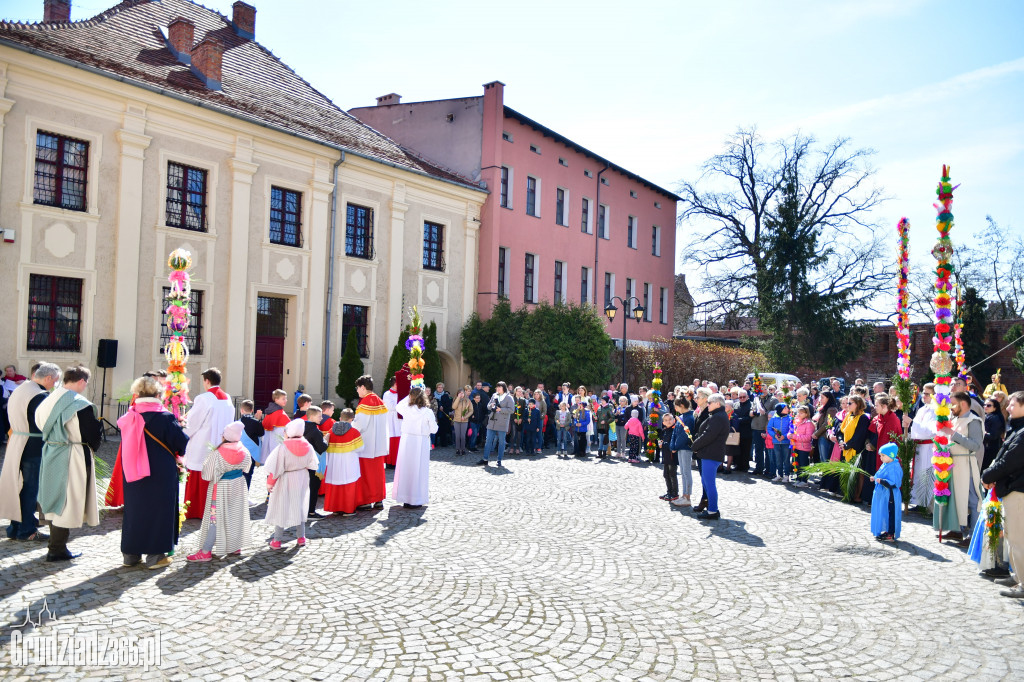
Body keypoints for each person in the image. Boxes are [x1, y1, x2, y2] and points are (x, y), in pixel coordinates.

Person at [118, 376, 188, 569]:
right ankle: (155, 556)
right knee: (159, 511)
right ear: (158, 395)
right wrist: (183, 427)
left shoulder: (130, 415)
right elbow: (181, 444)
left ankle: (131, 555)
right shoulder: (164, 417)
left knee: (135, 510)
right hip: (159, 471)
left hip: (133, 471)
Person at [36, 366, 102, 561]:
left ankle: (55, 546)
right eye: (86, 383)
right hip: (71, 455)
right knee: (65, 501)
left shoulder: (49, 398)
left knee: (53, 497)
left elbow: (40, 423)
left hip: (51, 451)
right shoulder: (80, 404)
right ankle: (56, 549)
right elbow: (91, 436)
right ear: (82, 381)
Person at [0, 362, 60, 542]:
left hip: (18, 439)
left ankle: (15, 526)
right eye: (55, 381)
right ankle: (27, 530)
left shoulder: (23, 388)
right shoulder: (39, 395)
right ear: (48, 378)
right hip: (32, 444)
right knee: (29, 488)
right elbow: (45, 423)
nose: (54, 385)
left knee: (19, 485)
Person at [187, 421, 252, 562]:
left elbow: (207, 474)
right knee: (235, 515)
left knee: (214, 519)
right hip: (238, 487)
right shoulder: (244, 450)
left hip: (220, 489)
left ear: (225, 436)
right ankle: (235, 546)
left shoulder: (217, 453)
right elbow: (247, 467)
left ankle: (206, 551)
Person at [981, 391, 1024, 598]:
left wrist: (989, 474)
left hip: (1018, 489)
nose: (1007, 408)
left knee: (1018, 538)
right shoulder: (1017, 428)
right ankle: (1017, 575)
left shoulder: (1023, 432)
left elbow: (1010, 461)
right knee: (1010, 536)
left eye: (1012, 405)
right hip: (1010, 487)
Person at [182, 369, 235, 519]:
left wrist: (183, 433)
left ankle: (196, 510)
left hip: (203, 443)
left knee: (199, 474)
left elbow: (192, 423)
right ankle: (216, 510)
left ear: (206, 381)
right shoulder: (228, 398)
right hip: (222, 443)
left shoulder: (203, 398)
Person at [935, 391, 985, 544]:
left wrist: (953, 434)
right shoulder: (954, 418)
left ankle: (973, 535)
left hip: (966, 465)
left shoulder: (973, 420)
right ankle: (957, 530)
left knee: (971, 499)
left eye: (953, 403)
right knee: (956, 499)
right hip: (952, 465)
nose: (950, 407)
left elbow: (976, 445)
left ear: (963, 404)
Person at [264, 419, 319, 549]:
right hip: (302, 478)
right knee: (299, 506)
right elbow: (313, 464)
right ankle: (301, 537)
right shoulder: (308, 445)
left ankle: (277, 540)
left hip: (286, 478)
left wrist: (270, 483)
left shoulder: (282, 447)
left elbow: (275, 467)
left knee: (282, 507)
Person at [393, 386, 438, 507]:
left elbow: (398, 406)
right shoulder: (427, 412)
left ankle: (406, 498)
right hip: (420, 442)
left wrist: (410, 395)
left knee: (407, 469)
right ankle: (416, 499)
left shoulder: (407, 409)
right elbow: (434, 429)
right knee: (418, 470)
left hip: (407, 441)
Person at [350, 375, 389, 509]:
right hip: (379, 444)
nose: (357, 391)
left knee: (366, 474)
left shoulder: (365, 403)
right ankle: (378, 500)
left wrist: (350, 425)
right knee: (378, 473)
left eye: (357, 388)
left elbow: (360, 425)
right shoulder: (380, 401)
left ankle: (366, 501)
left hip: (366, 445)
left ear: (363, 387)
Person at [690, 393, 730, 520]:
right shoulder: (717, 415)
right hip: (709, 453)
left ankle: (712, 511)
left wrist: (694, 446)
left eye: (709, 403)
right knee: (706, 482)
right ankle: (712, 509)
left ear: (717, 403)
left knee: (709, 483)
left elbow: (708, 435)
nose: (708, 405)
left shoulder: (718, 417)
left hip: (711, 454)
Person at [322, 408, 363, 516]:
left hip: (334, 463)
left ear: (340, 418)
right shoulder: (354, 431)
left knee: (335, 485)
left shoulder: (331, 431)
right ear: (352, 419)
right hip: (349, 462)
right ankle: (348, 509)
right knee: (348, 484)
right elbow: (360, 448)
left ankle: (335, 508)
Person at [908, 383, 938, 510]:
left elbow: (930, 431)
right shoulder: (922, 409)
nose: (923, 396)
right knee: (918, 475)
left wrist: (911, 422)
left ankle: (926, 503)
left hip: (928, 447)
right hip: (919, 446)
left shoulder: (936, 410)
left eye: (927, 393)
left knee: (926, 474)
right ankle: (918, 501)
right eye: (923, 393)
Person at [871, 443, 903, 542]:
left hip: (891, 496)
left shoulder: (894, 466)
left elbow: (894, 483)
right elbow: (880, 474)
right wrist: (875, 478)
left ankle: (891, 533)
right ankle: (887, 530)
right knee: (885, 512)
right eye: (880, 455)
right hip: (884, 495)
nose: (881, 458)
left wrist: (881, 481)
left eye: (883, 455)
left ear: (891, 455)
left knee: (891, 513)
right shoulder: (886, 464)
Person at [302, 406, 329, 517]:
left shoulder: (302, 428)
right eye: (319, 416)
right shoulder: (315, 431)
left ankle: (304, 510)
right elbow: (322, 448)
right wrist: (326, 440)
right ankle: (311, 512)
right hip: (315, 464)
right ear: (312, 416)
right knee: (313, 488)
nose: (321, 418)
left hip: (304, 463)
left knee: (305, 488)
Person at [479, 382, 513, 467]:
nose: (497, 389)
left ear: (504, 388)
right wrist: (491, 406)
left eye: (499, 387)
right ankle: (485, 459)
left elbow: (511, 410)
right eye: (497, 387)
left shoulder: (509, 397)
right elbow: (488, 406)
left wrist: (501, 409)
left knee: (501, 442)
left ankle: (499, 460)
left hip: (502, 422)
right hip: (492, 422)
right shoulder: (494, 395)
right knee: (488, 441)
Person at [670, 397, 695, 508]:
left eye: (676, 405)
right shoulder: (681, 417)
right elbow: (675, 432)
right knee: (683, 472)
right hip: (679, 447)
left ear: (682, 405)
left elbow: (685, 435)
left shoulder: (690, 417)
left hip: (685, 447)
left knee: (686, 472)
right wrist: (673, 445)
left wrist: (676, 445)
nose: (675, 408)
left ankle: (687, 496)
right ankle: (684, 495)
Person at [260, 389, 292, 464]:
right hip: (276, 445)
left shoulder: (271, 411)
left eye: (286, 398)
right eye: (283, 399)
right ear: (276, 399)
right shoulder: (279, 413)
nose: (286, 400)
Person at [238, 399, 264, 489]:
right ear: (252, 410)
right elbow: (261, 433)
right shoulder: (255, 422)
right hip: (252, 454)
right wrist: (258, 420)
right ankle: (245, 496)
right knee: (248, 474)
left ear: (241, 410)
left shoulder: (237, 422)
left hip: (239, 452)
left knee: (239, 475)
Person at [1, 364, 27, 446]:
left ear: (14, 371)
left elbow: (29, 383)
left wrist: (23, 382)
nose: (8, 372)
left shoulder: (21, 378)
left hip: (19, 402)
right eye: (7, 371)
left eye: (10, 371)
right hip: (7, 403)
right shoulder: (4, 380)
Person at [790, 405, 815, 487]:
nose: (799, 414)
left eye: (801, 413)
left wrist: (794, 437)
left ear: (806, 414)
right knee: (796, 463)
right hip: (795, 446)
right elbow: (791, 430)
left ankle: (804, 480)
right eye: (798, 412)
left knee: (803, 464)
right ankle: (798, 478)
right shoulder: (796, 422)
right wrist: (789, 435)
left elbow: (808, 437)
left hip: (804, 447)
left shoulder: (809, 424)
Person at [768, 404, 793, 483]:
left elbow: (791, 429)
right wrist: (775, 435)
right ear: (780, 409)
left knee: (786, 459)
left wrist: (785, 436)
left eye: (787, 408)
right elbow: (769, 428)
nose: (787, 409)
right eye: (785, 408)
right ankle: (780, 475)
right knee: (778, 459)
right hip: (776, 442)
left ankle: (786, 475)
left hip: (786, 442)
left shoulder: (789, 418)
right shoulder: (774, 418)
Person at [983, 397, 1007, 470]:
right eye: (984, 405)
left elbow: (993, 436)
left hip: (991, 448)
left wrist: (982, 433)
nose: (985, 407)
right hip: (987, 447)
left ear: (995, 408)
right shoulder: (988, 416)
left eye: (989, 405)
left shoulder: (995, 418)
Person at [659, 412, 678, 502]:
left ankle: (674, 493)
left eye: (670, 419)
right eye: (666, 420)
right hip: (666, 456)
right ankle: (669, 492)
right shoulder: (665, 431)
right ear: (663, 423)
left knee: (672, 475)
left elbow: (672, 444)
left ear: (674, 420)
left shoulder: (674, 430)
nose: (669, 421)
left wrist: (663, 444)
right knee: (666, 474)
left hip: (672, 457)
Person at [451, 388, 473, 456]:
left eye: (462, 393)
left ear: (464, 394)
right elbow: (454, 407)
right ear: (457, 394)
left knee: (463, 436)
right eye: (459, 393)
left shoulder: (468, 401)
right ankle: (457, 449)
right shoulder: (455, 400)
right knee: (457, 436)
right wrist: (458, 398)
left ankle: (463, 449)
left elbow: (471, 411)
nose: (461, 394)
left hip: (464, 421)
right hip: (456, 420)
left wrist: (465, 417)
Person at [434, 382, 453, 448]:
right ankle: (434, 443)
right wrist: (439, 407)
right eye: (439, 387)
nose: (440, 388)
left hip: (444, 415)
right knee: (435, 429)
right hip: (436, 415)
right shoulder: (433, 395)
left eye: (441, 387)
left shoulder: (445, 395)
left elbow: (448, 405)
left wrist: (443, 407)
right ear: (436, 388)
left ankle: (443, 443)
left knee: (443, 429)